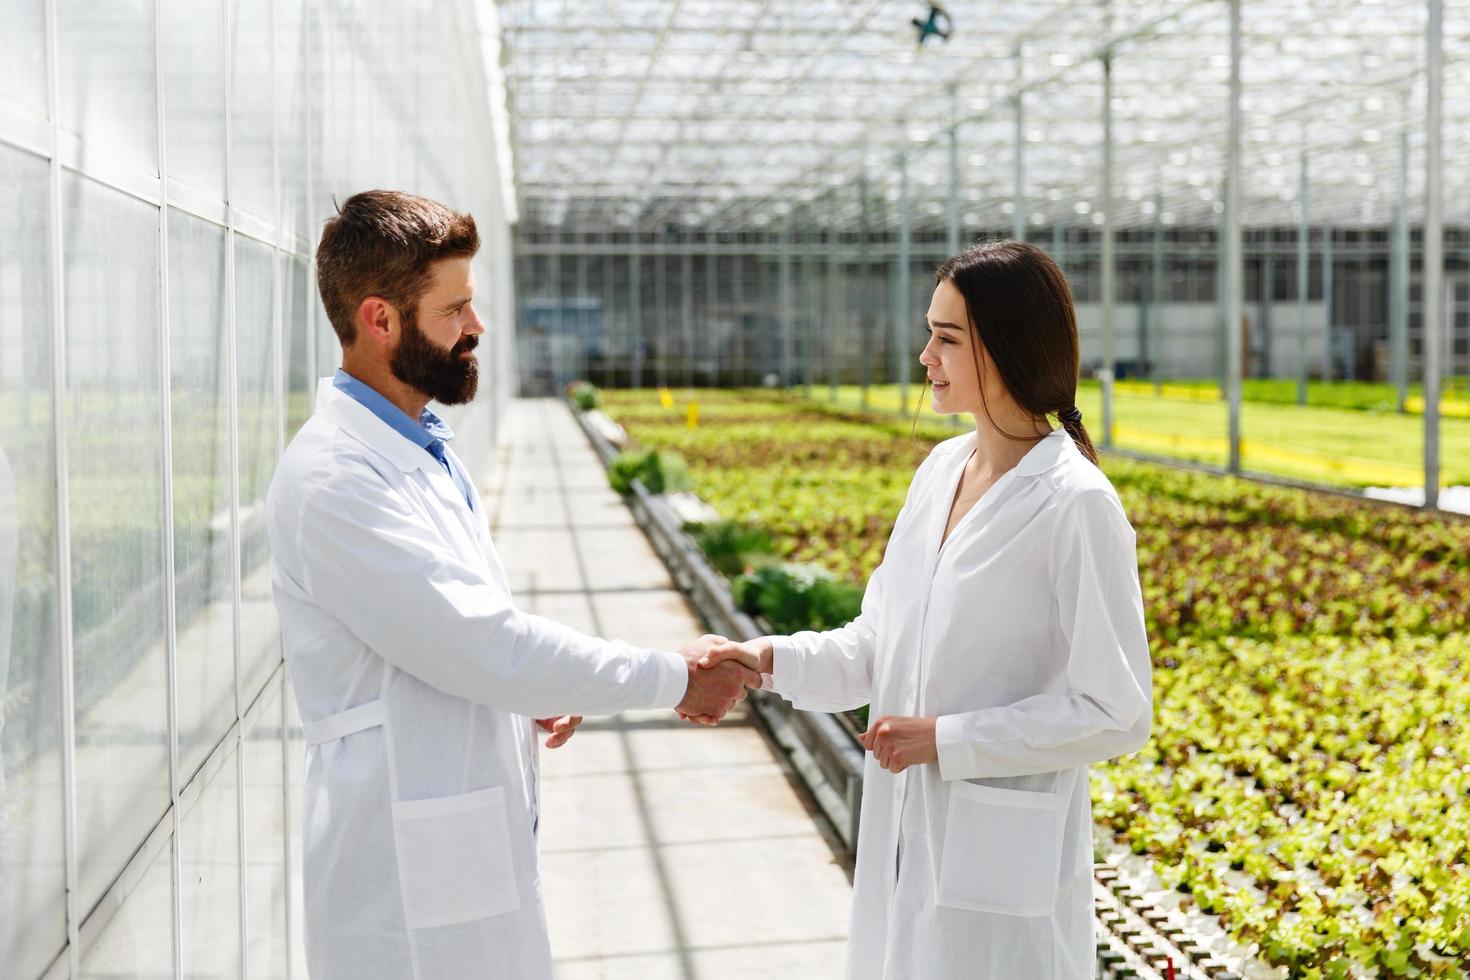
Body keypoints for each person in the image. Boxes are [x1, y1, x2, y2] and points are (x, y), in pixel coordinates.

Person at [265, 189, 757, 980]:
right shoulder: (336, 479)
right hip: (401, 887)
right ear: (380, 319)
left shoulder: (422, 443)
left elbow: (456, 633)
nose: (476, 327)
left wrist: (518, 688)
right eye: (455, 308)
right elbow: (479, 644)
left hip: (455, 841)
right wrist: (673, 678)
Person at [700, 240, 1153, 979]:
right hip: (904, 844)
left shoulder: (1076, 506)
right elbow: (878, 643)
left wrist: (949, 739)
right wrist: (766, 661)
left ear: (1006, 347)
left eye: (946, 338)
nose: (924, 356)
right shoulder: (941, 471)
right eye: (929, 332)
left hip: (1003, 879)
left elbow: (1116, 711)